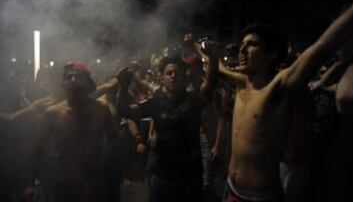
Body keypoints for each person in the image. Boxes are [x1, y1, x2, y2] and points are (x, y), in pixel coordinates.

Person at [210, 0, 353, 201]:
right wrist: (203, 52)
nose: (242, 50)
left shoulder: (279, 86)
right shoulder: (241, 83)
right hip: (231, 189)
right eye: (242, 45)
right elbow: (218, 70)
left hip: (260, 197)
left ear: (270, 54)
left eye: (251, 45)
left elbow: (322, 47)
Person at [116, 43, 219, 202]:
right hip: (162, 176)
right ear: (162, 78)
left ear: (183, 77)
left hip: (190, 176)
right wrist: (123, 87)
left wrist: (212, 57)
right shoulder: (155, 101)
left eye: (177, 73)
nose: (173, 76)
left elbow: (210, 81)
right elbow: (125, 111)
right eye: (168, 73)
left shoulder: (193, 99)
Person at [23, 61, 121, 202]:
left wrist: (108, 171)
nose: (73, 81)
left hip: (95, 185)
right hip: (65, 185)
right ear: (64, 84)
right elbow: (36, 149)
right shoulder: (53, 113)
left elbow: (114, 142)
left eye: (78, 77)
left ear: (88, 82)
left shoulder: (101, 109)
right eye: (69, 77)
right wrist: (30, 184)